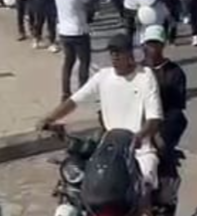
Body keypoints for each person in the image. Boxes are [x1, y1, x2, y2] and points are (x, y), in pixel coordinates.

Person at [39, 33, 164, 197]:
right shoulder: (103, 77)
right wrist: (49, 118)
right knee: (77, 187)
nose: (115, 56)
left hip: (139, 150)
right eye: (112, 52)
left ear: (130, 54)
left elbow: (154, 118)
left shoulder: (145, 76)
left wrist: (140, 137)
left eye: (119, 52)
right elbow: (74, 101)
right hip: (108, 148)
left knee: (144, 188)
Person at [141, 24, 187, 209]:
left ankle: (166, 197)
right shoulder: (137, 70)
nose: (151, 48)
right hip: (137, 123)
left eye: (156, 44)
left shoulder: (175, 72)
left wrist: (158, 132)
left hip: (164, 124)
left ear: (163, 45)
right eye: (149, 44)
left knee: (162, 156)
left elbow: (176, 107)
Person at [55, 0, 92, 99]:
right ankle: (83, 91)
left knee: (68, 62)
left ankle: (65, 92)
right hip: (78, 30)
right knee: (84, 61)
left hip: (64, 30)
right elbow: (88, 3)